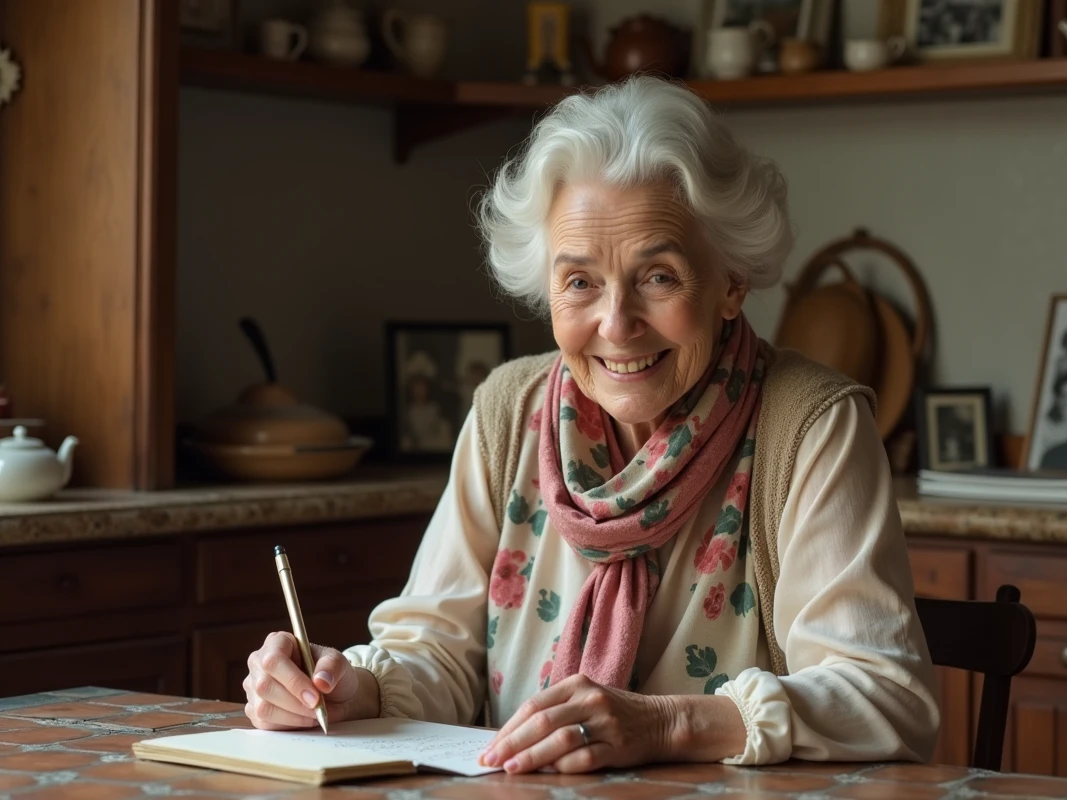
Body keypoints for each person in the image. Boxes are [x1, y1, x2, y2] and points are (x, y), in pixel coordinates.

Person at [242, 76, 939, 773]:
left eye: (658, 277)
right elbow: (440, 653)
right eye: (580, 282)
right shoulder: (508, 410)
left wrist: (669, 725)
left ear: (732, 281)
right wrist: (348, 688)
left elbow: (885, 695)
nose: (616, 324)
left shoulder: (812, 426)